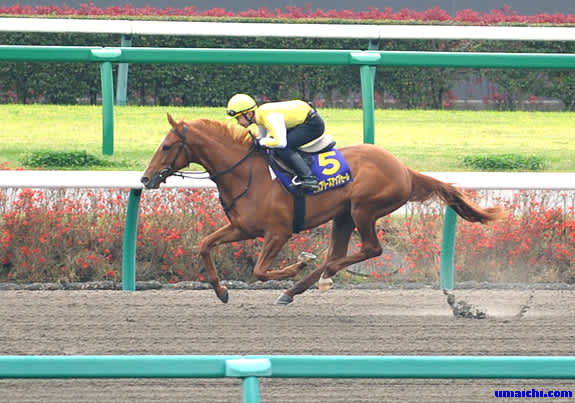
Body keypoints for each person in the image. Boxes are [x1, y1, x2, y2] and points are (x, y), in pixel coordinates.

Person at [226, 93, 325, 191]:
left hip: (313, 125)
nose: (238, 123)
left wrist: (261, 142)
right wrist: (259, 141)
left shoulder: (268, 116)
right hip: (304, 120)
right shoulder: (259, 115)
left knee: (283, 148)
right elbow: (262, 137)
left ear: (248, 114)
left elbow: (281, 143)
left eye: (238, 118)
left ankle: (309, 178)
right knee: (273, 143)